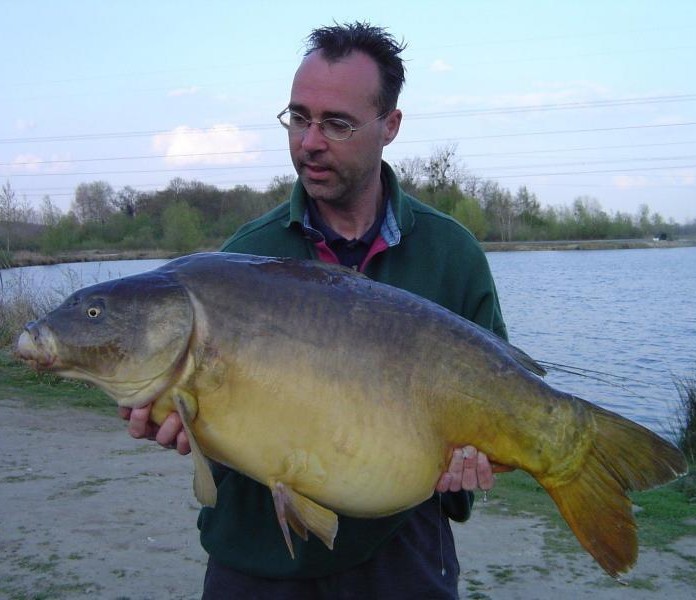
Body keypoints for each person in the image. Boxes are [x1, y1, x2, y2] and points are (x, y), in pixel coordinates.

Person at [121, 22, 507, 599]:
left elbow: (496, 405)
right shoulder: (245, 257)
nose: (310, 141)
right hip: (257, 564)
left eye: (337, 123)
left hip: (402, 559)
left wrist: (469, 472)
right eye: (299, 118)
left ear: (390, 126)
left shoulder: (452, 256)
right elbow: (229, 439)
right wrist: (187, 430)